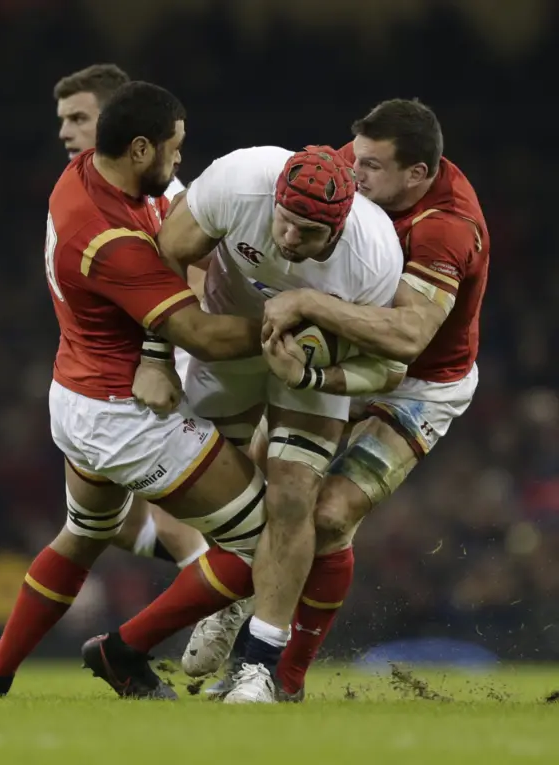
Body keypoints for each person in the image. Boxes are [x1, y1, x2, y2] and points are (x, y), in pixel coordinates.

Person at [0, 81, 269, 699]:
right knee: (269, 539)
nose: (180, 164)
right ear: (141, 148)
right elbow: (201, 333)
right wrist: (297, 325)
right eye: (174, 151)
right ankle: (124, 652)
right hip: (124, 414)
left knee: (85, 533)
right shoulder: (107, 241)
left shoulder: (83, 174)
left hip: (75, 396)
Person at [95, 143, 405, 704]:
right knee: (219, 505)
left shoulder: (375, 254)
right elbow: (165, 253)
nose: (288, 239)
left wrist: (312, 378)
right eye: (284, 222)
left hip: (307, 369)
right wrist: (156, 356)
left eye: (307, 234)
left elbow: (385, 367)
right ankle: (234, 599)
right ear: (274, 198)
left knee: (291, 499)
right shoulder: (240, 180)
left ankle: (258, 666)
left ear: (338, 227)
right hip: (226, 347)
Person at [236, 97, 487, 700]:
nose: (355, 173)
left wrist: (310, 304)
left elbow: (409, 335)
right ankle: (234, 619)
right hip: (343, 353)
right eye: (357, 156)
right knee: (264, 487)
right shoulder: (348, 168)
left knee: (328, 515)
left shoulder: (446, 226)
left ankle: (282, 676)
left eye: (372, 166)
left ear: (418, 175)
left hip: (422, 385)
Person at [54, 62, 224, 576]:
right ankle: (210, 580)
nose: (65, 130)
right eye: (62, 119)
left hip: (161, 382)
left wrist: (159, 354)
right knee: (111, 525)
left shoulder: (166, 193)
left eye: (79, 118)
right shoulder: (80, 185)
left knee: (194, 520)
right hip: (103, 376)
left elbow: (200, 281)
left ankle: (225, 617)